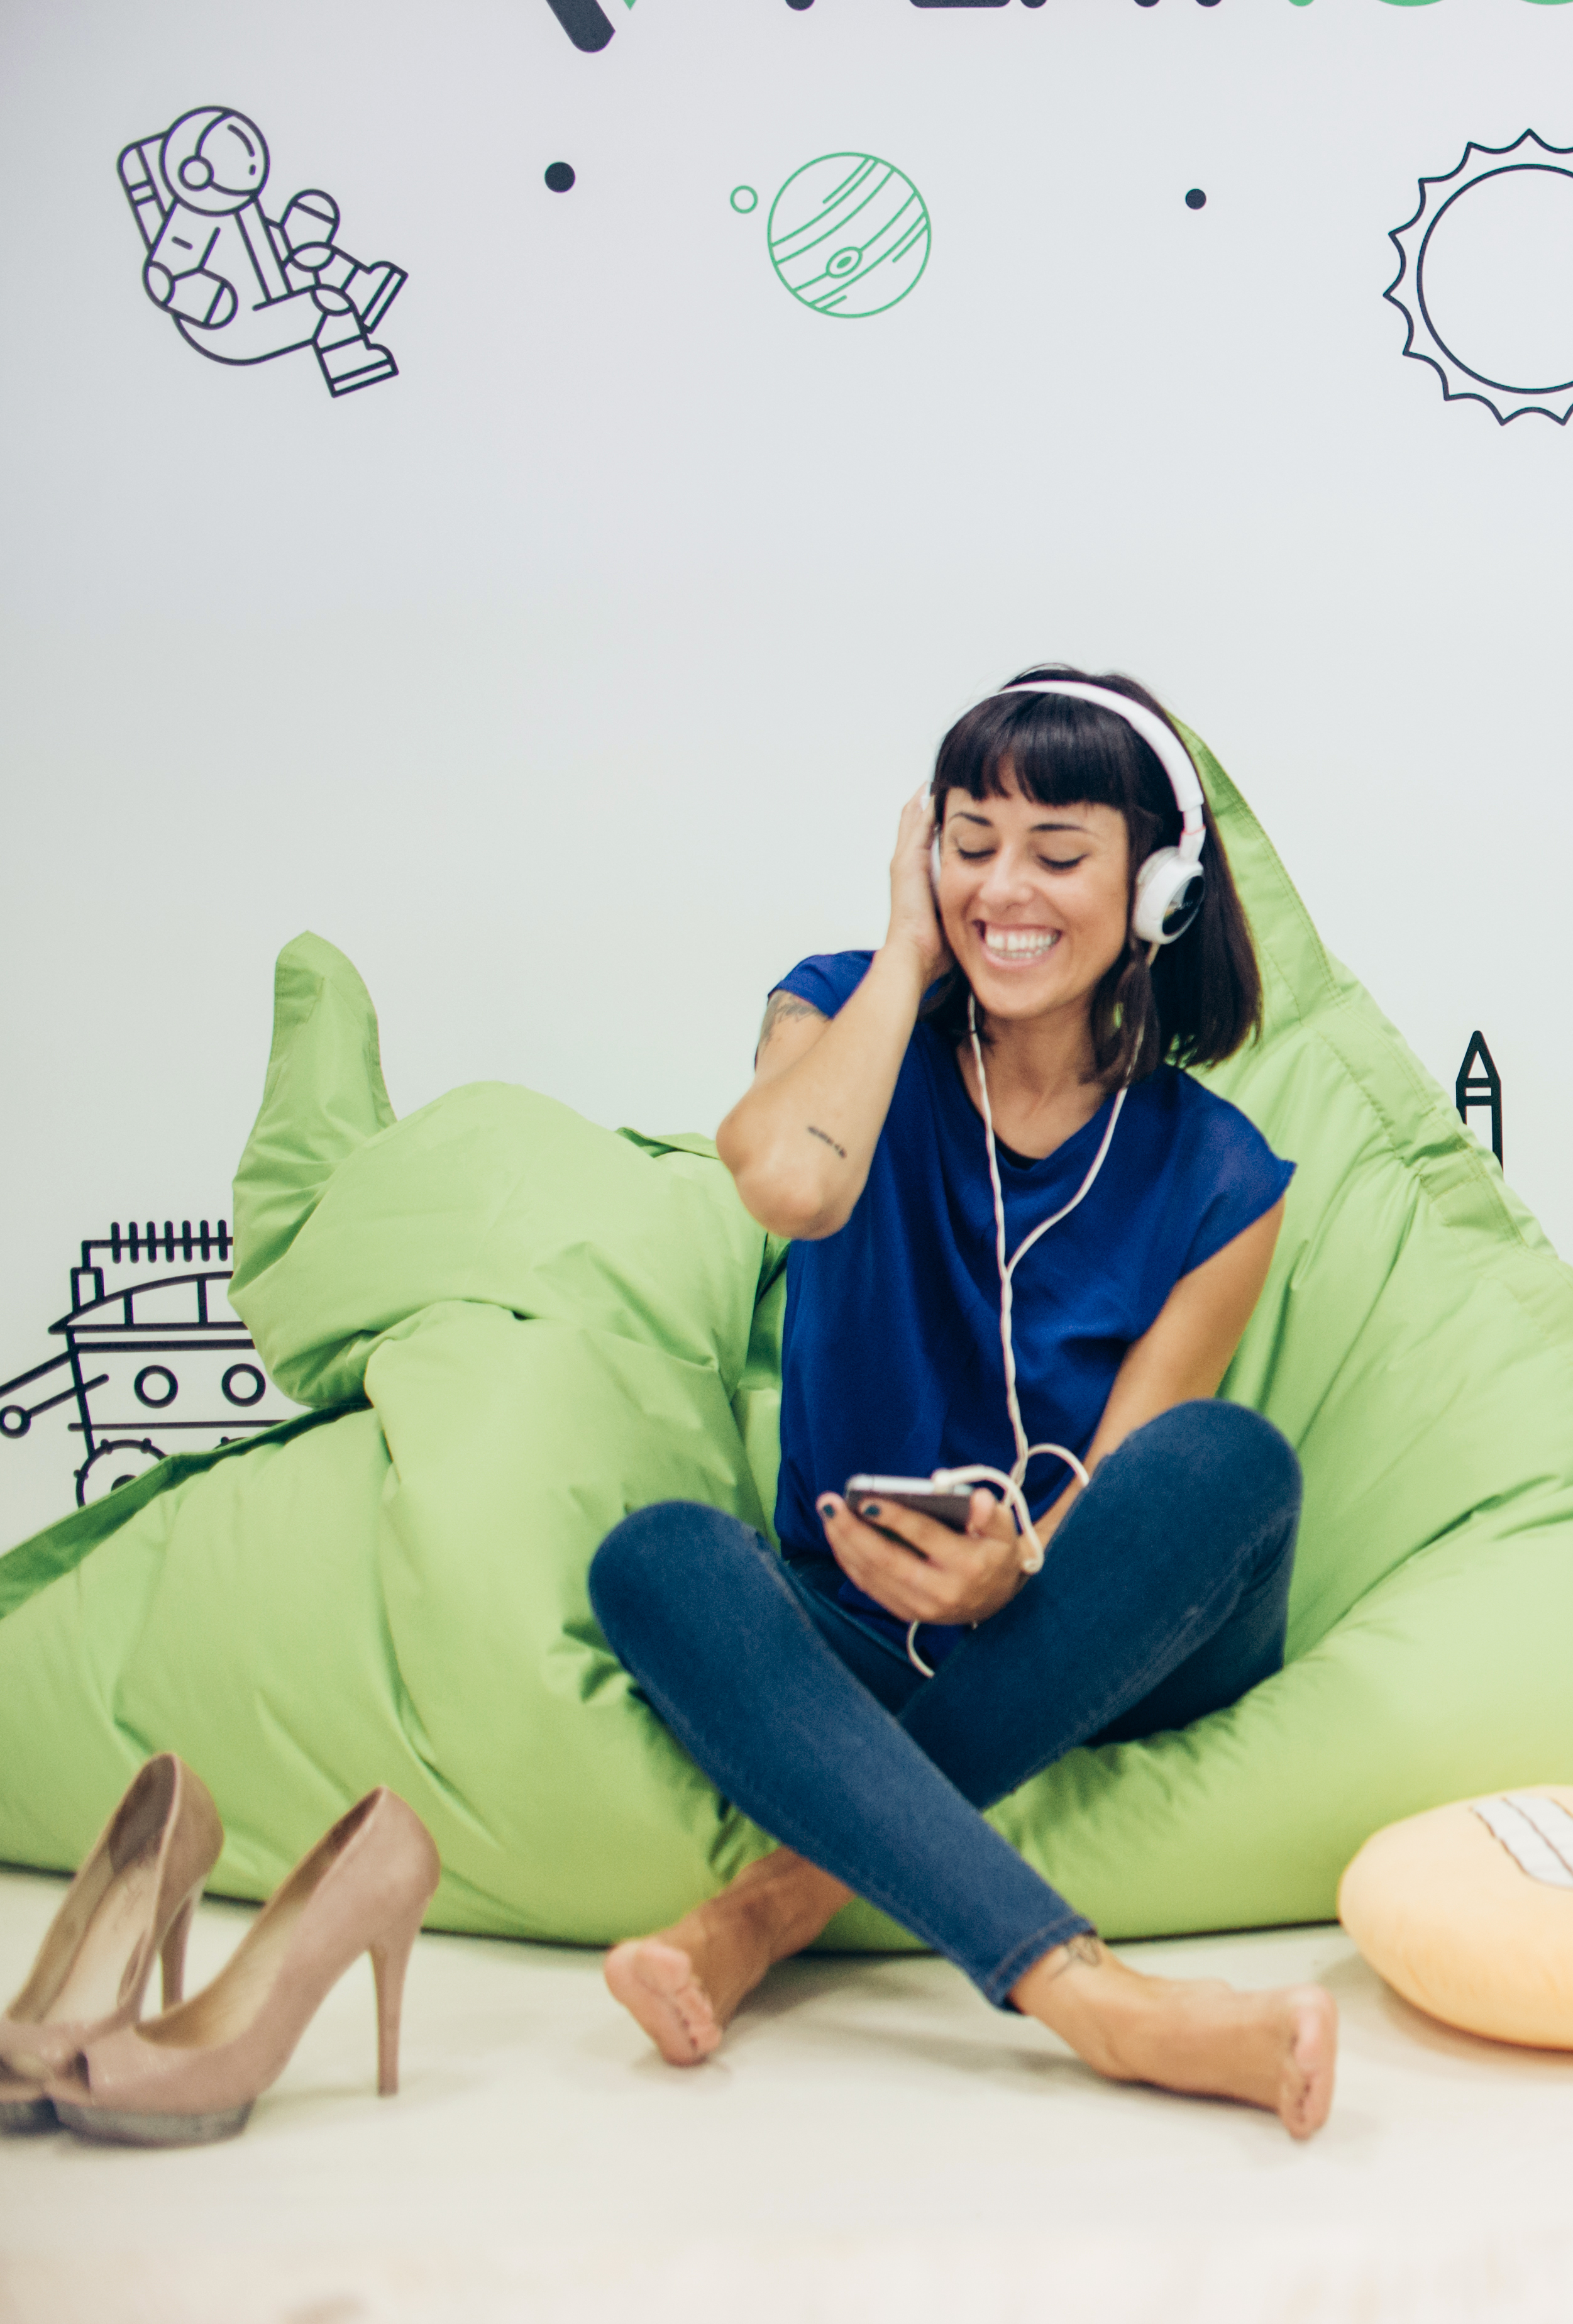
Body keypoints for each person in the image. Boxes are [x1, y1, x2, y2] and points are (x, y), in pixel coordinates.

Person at [584, 665, 1336, 2139]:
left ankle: (767, 1914)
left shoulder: (1224, 1177)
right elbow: (794, 1185)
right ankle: (1090, 1998)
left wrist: (1021, 1563)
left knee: (1224, 1461)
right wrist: (903, 954)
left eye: (1059, 855)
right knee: (656, 1559)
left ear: (1157, 889)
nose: (1008, 888)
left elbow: (1133, 1482)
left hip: (1094, 1636)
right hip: (860, 1617)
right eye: (971, 840)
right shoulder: (839, 1016)